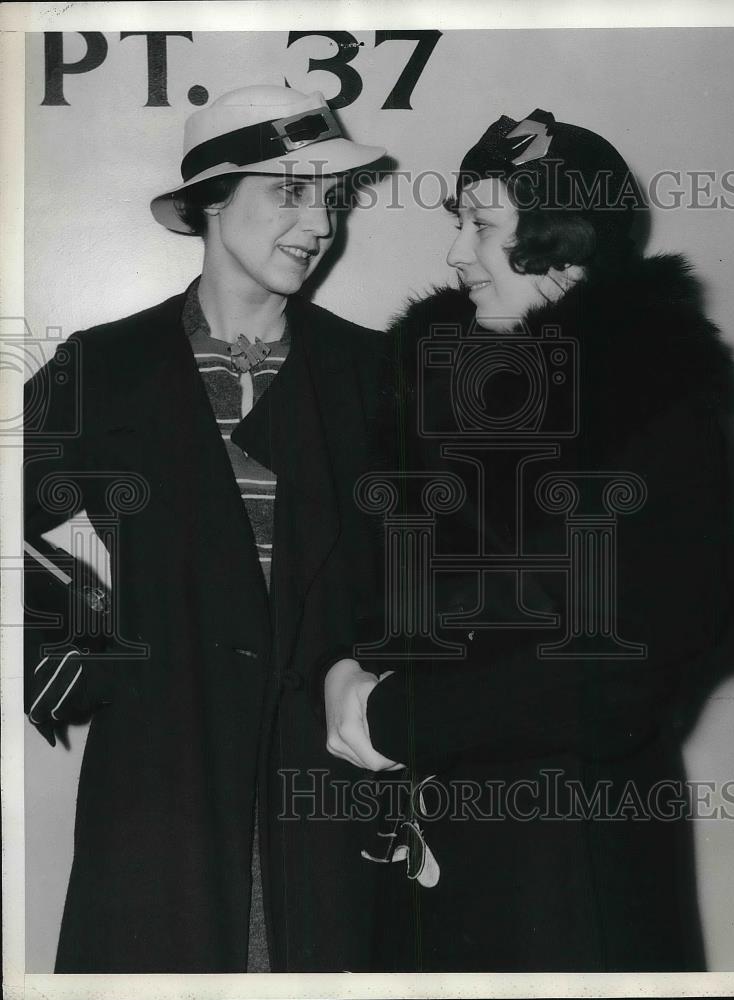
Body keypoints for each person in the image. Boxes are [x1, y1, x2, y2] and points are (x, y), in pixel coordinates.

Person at [323, 110, 734, 970]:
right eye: (458, 224)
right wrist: (343, 669)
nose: (454, 254)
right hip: (420, 842)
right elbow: (373, 586)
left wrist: (399, 711)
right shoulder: (431, 385)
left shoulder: (658, 405)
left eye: (480, 226)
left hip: (569, 856)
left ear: (563, 244)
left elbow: (624, 668)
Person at [24, 84, 389, 972]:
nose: (317, 224)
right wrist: (102, 666)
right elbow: (23, 545)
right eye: (289, 192)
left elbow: (426, 573)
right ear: (211, 203)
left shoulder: (374, 371)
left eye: (330, 198)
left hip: (328, 782)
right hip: (161, 786)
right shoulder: (98, 369)